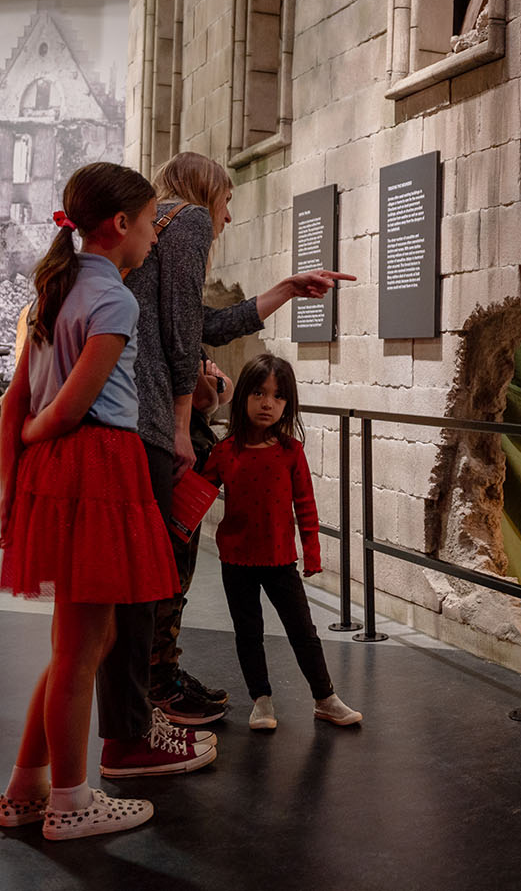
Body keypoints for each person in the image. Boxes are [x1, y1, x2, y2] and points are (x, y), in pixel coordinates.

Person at [102, 150, 350, 747]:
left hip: (143, 418)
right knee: (159, 567)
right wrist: (187, 422)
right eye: (228, 201)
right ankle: (145, 710)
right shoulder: (184, 219)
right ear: (205, 192)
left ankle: (156, 683)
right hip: (156, 421)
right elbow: (187, 335)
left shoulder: (157, 228)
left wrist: (285, 289)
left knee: (161, 562)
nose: (228, 217)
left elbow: (207, 324)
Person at [0, 162, 194, 841]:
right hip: (94, 466)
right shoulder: (112, 298)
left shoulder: (59, 286)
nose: (154, 239)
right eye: (147, 224)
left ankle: (27, 787)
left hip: (58, 472)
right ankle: (71, 801)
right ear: (118, 225)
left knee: (83, 640)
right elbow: (66, 403)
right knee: (82, 649)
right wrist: (36, 429)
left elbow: (19, 396)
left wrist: (14, 472)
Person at [200, 354, 361, 732]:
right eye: (258, 393)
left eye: (277, 396)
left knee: (303, 631)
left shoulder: (291, 452)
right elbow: (198, 495)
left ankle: (325, 698)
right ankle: (261, 700)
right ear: (243, 398)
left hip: (279, 559)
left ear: (288, 403)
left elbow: (305, 505)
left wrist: (313, 552)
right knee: (248, 632)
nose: (267, 403)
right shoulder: (226, 452)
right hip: (235, 559)